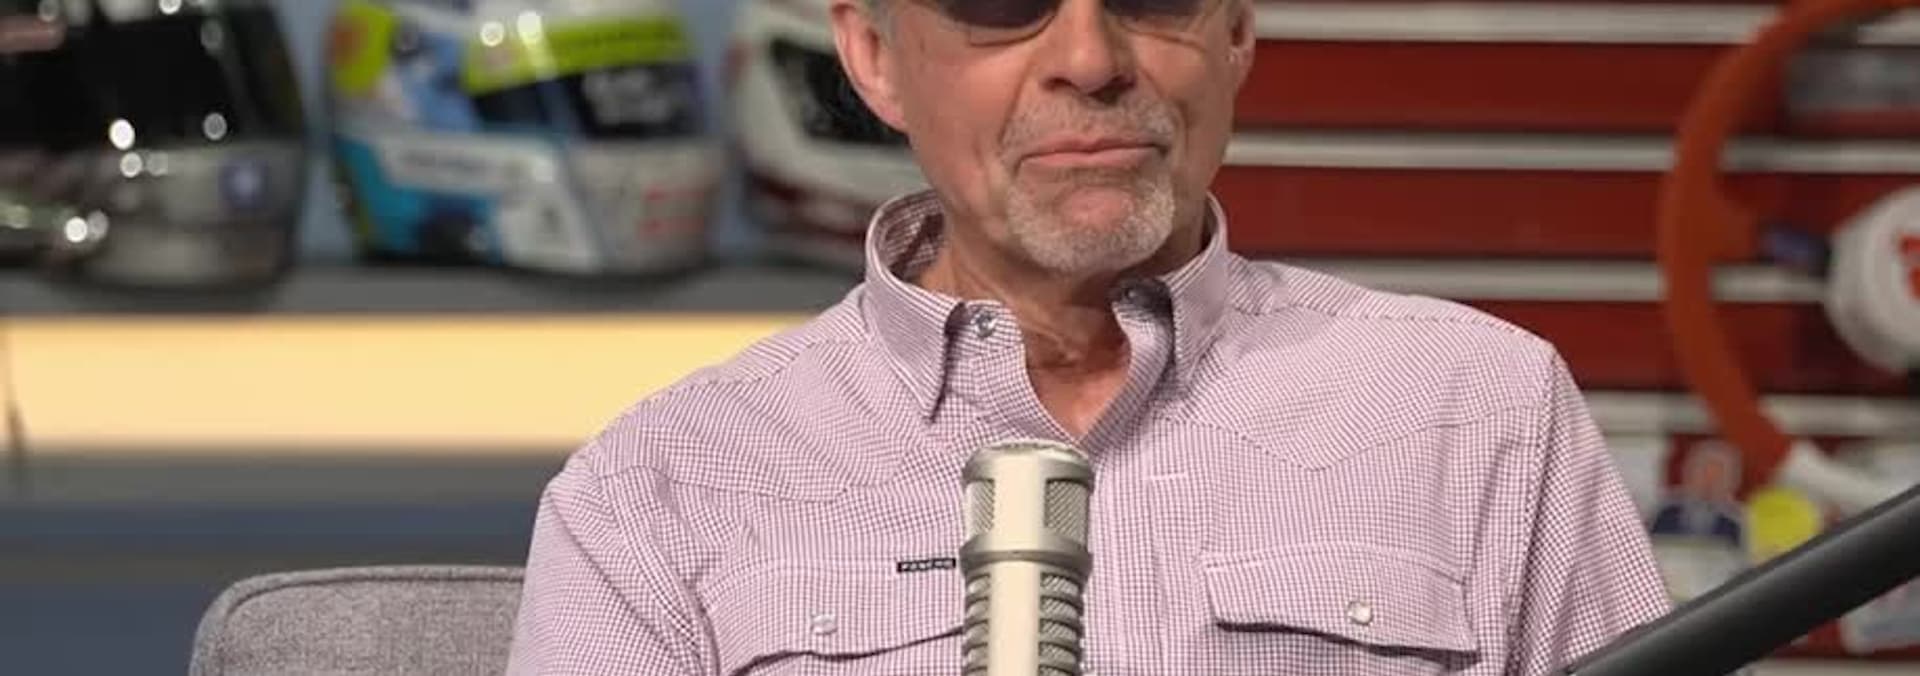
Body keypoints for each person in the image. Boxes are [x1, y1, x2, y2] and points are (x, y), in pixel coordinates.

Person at [505, 0, 1673, 673]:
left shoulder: (1480, 413)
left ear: (1235, 33)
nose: (1090, 59)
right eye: (1000, 3)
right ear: (872, 57)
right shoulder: (657, 495)